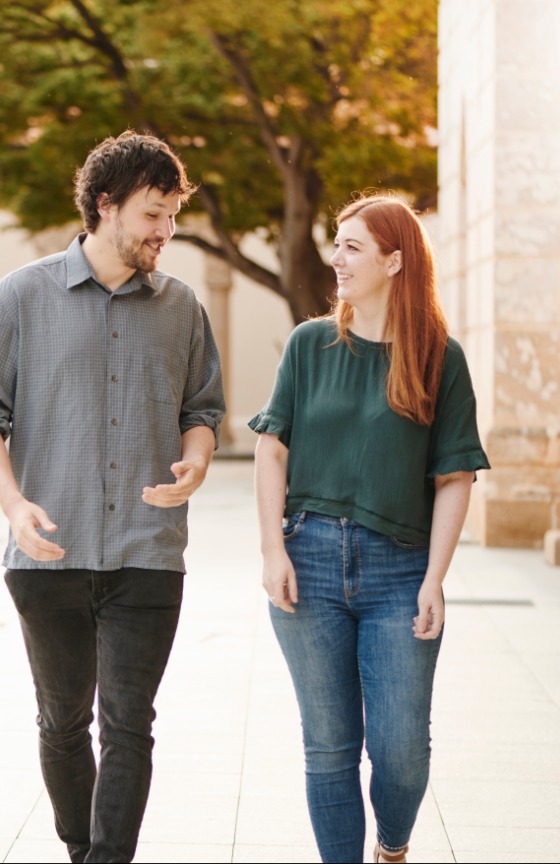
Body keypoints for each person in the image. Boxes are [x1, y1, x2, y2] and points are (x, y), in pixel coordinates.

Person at [0, 130, 225, 863]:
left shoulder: (181, 307)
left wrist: (195, 463)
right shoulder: (18, 297)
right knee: (63, 722)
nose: (165, 232)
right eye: (152, 214)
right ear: (106, 207)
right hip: (49, 553)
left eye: (172, 216)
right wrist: (13, 505)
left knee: (129, 721)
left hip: (149, 550)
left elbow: (203, 411)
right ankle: (83, 851)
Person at [250, 192, 490, 864]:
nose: (337, 257)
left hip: (400, 569)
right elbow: (273, 449)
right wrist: (273, 549)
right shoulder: (309, 344)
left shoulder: (442, 359)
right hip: (310, 560)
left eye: (352, 246)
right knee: (328, 746)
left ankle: (393, 845)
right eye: (337, 242)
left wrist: (435, 579)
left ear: (395, 260)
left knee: (400, 749)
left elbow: (455, 478)